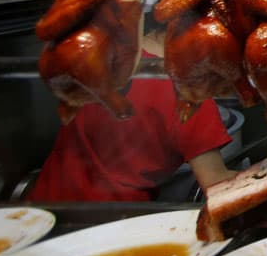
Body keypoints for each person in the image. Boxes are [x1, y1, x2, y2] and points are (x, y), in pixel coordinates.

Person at [30, 46, 235, 203]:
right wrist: (265, 178)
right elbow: (217, 185)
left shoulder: (98, 63)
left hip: (42, 211)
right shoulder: (188, 89)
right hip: (113, 225)